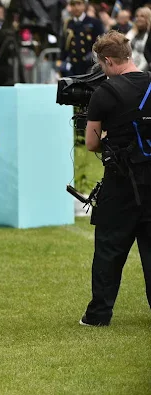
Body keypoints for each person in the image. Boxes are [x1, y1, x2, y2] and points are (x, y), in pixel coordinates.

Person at [81, 30, 151, 326]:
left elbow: (91, 142)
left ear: (108, 61)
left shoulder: (104, 93)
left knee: (109, 249)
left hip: (121, 182)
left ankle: (99, 315)